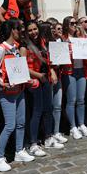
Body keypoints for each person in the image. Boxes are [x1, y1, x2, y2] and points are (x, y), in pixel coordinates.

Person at [0, 19, 37, 172]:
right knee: (9, 125)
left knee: (21, 122)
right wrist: (1, 83)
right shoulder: (0, 49)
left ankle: (19, 151)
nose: (21, 31)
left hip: (19, 90)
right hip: (7, 92)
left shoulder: (16, 47)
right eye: (18, 29)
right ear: (11, 30)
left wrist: (27, 80)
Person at [24, 21, 55, 156]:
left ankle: (48, 137)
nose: (33, 32)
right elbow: (23, 67)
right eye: (30, 30)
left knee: (48, 109)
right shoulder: (24, 46)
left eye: (35, 29)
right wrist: (38, 76)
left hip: (45, 78)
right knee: (36, 112)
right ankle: (33, 143)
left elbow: (48, 60)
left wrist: (52, 72)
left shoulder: (42, 41)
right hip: (34, 82)